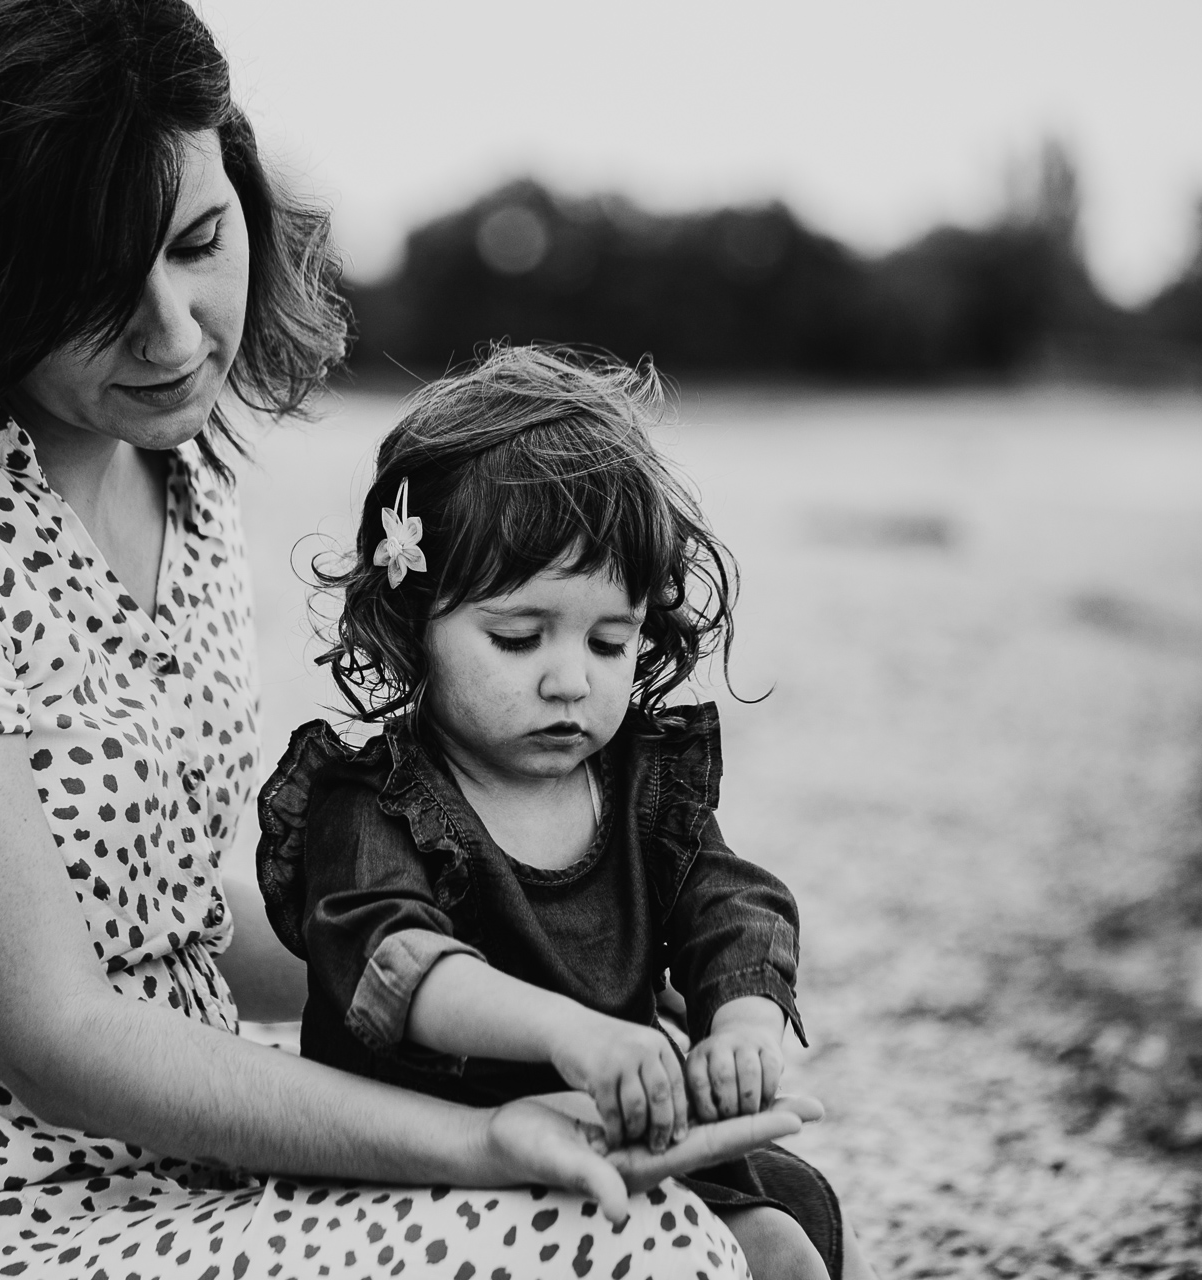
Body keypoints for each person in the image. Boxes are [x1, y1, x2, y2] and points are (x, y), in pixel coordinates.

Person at [0, 3, 812, 1277]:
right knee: (637, 1249)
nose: (176, 330)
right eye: (86, 287)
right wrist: (479, 1143)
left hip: (157, 1153)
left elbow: (169, 922)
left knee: (770, 1197)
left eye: (198, 241)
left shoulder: (170, 484)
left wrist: (566, 965)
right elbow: (59, 1025)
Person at [254, 347, 878, 1280]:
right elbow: (397, 969)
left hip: (614, 1129)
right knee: (767, 1250)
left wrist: (741, 1022)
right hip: (425, 1165)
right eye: (518, 637)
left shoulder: (638, 789)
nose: (569, 679)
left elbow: (731, 904)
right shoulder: (376, 801)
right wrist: (571, 1033)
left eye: (609, 640)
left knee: (805, 1215)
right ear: (409, 623)